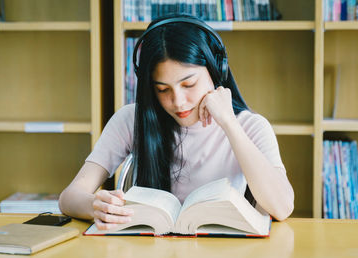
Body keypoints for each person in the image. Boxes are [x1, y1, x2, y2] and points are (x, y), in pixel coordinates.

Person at [59, 14, 294, 230]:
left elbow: (281, 208)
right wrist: (94, 205)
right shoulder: (130, 119)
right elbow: (69, 197)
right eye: (162, 90)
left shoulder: (251, 126)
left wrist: (229, 124)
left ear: (217, 71)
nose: (178, 102)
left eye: (189, 85)